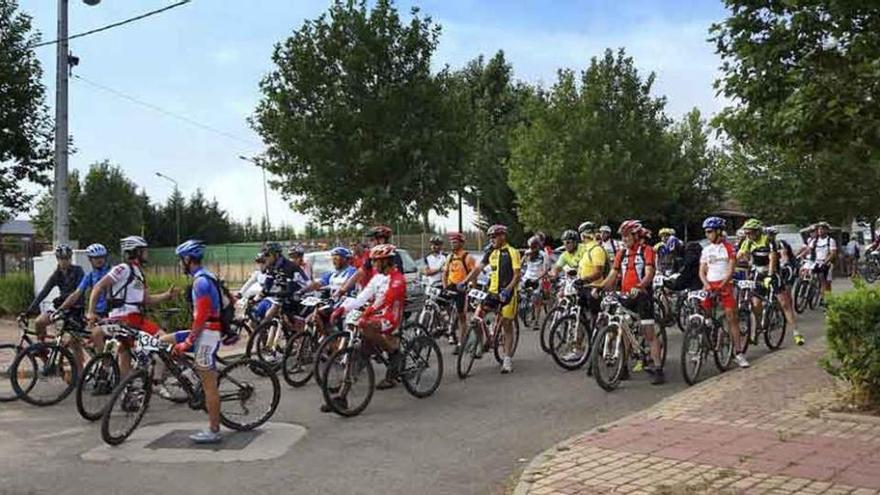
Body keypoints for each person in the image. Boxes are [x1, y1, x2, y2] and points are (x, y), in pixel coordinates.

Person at [86, 236, 179, 375]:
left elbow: (146, 299)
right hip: (127, 319)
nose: (147, 253)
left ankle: (125, 388)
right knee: (165, 341)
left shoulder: (139, 273)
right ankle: (156, 381)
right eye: (144, 251)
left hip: (133, 318)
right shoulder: (122, 268)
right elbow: (98, 287)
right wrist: (91, 312)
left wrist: (166, 295)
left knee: (125, 352)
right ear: (135, 252)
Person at [164, 240, 223, 444]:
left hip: (208, 333)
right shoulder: (204, 276)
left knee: (209, 386)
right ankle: (184, 374)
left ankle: (214, 430)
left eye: (182, 260)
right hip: (204, 329)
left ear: (188, 259)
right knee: (161, 342)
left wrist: (187, 342)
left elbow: (202, 317)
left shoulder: (200, 282)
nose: (181, 264)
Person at [329, 244, 407, 399]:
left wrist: (366, 313)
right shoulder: (377, 278)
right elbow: (362, 297)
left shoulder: (397, 278)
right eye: (372, 261)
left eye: (376, 261)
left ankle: (393, 352)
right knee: (357, 350)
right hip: (376, 315)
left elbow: (384, 300)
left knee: (365, 325)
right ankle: (343, 394)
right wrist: (342, 310)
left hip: (391, 317)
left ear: (386, 261)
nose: (373, 264)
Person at [601, 220, 665, 384]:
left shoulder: (647, 251)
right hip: (625, 296)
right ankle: (623, 368)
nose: (624, 239)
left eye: (627, 236)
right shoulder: (621, 254)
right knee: (624, 330)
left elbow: (649, 273)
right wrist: (600, 288)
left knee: (649, 333)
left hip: (642, 296)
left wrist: (640, 286)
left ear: (636, 236)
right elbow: (613, 274)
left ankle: (658, 368)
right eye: (622, 236)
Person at [461, 224, 522, 374]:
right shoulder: (490, 252)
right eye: (490, 237)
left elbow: (517, 275)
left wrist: (508, 290)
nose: (492, 239)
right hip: (492, 292)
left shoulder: (512, 252)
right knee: (476, 317)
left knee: (507, 324)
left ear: (502, 236)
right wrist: (464, 281)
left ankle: (507, 359)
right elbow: (478, 269)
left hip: (508, 293)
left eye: (494, 236)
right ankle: (481, 344)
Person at [699, 217, 748, 368]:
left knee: (732, 317)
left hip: (725, 285)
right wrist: (706, 284)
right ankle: (705, 340)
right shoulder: (706, 250)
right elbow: (702, 270)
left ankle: (738, 353)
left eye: (710, 232)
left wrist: (723, 284)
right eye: (706, 232)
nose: (707, 235)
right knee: (704, 314)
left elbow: (731, 269)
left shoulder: (729, 248)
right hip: (710, 284)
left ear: (719, 231)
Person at [57, 243, 110, 369]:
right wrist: (60, 309)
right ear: (90, 259)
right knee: (74, 340)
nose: (99, 260)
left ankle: (105, 367)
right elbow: (76, 294)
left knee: (96, 336)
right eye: (96, 258)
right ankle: (79, 374)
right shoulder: (90, 276)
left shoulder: (111, 273)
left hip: (109, 313)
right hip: (95, 314)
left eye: (102, 257)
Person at [23, 244, 85, 341]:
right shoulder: (57, 274)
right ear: (57, 259)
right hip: (60, 305)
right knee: (39, 322)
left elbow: (78, 292)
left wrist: (66, 302)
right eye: (62, 258)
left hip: (75, 307)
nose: (64, 261)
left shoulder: (78, 271)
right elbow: (44, 292)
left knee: (72, 341)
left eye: (67, 258)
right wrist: (29, 311)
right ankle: (42, 350)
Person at [299, 246, 357, 334]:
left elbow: (348, 284)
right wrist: (302, 291)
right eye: (333, 258)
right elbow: (318, 284)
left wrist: (338, 290)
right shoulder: (331, 274)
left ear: (346, 259)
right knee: (311, 319)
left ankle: (331, 339)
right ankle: (326, 339)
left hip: (345, 303)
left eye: (337, 258)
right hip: (332, 303)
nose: (334, 260)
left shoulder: (352, 271)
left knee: (320, 315)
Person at [336, 225, 404, 297]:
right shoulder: (372, 255)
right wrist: (343, 289)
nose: (369, 243)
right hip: (374, 294)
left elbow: (396, 279)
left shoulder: (393, 256)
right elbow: (360, 272)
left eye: (372, 240)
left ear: (381, 240)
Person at [443, 232, 475, 352]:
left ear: (461, 243)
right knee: (442, 308)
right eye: (451, 242)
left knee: (462, 317)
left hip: (462, 289)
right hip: (451, 287)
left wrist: (474, 288)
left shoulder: (467, 257)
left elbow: (474, 274)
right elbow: (445, 274)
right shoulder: (450, 257)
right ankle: (447, 330)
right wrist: (445, 287)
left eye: (455, 242)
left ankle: (461, 343)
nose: (452, 244)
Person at [797, 221, 837, 304]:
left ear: (826, 230)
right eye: (819, 229)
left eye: (822, 229)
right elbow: (808, 249)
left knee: (825, 281)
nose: (820, 231)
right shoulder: (814, 240)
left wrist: (826, 261)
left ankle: (826, 299)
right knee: (804, 271)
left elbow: (833, 253)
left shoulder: (830, 240)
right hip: (815, 261)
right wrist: (800, 256)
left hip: (826, 262)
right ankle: (806, 287)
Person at [521, 235, 550, 329]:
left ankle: (536, 322)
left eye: (534, 247)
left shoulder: (543, 255)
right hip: (527, 277)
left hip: (537, 278)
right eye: (530, 247)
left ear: (538, 246)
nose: (532, 249)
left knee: (537, 301)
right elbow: (520, 265)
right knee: (522, 294)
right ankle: (526, 309)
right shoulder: (527, 253)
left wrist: (540, 277)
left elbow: (546, 270)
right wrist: (519, 273)